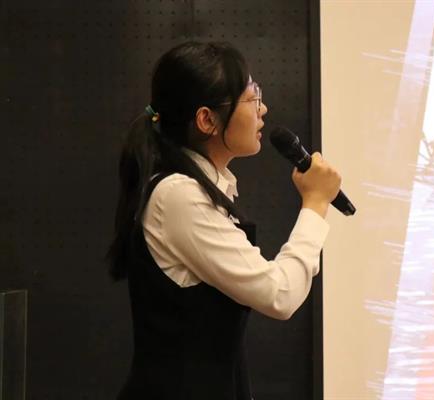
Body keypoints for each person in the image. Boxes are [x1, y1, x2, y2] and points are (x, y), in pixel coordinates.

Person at [106, 41, 341, 399]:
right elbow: (280, 294)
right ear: (207, 120)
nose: (263, 109)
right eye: (252, 98)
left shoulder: (200, 189)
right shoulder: (179, 196)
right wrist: (315, 203)